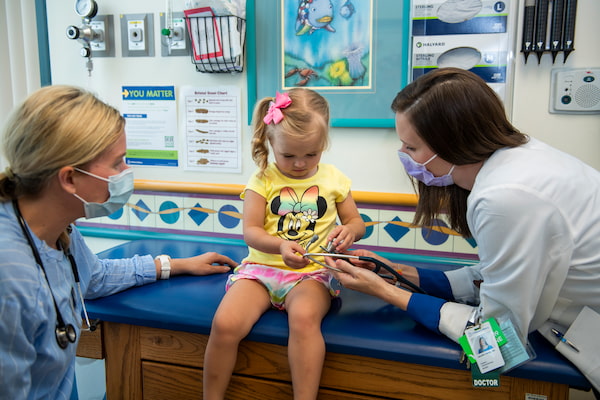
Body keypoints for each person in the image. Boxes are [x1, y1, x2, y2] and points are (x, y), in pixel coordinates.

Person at [325, 68, 600, 392]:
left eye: (411, 148)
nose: (404, 156)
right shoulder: (521, 158)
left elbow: (497, 344)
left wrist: (385, 291)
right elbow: (499, 275)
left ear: (452, 144)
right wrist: (395, 271)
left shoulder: (506, 198)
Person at [0, 85, 238, 399]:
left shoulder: (58, 230)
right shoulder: (10, 274)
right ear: (69, 178)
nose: (126, 172)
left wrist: (175, 265)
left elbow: (94, 277)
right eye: (117, 163)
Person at [203, 88, 365, 400]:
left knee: (304, 319)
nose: (301, 164)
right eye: (289, 155)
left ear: (324, 145)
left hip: (311, 274)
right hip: (261, 271)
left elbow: (356, 222)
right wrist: (278, 247)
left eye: (311, 154)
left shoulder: (334, 179)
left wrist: (351, 232)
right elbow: (250, 231)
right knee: (224, 324)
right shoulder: (262, 179)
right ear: (271, 143)